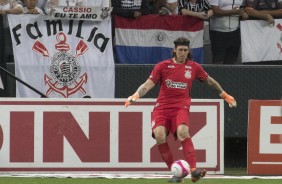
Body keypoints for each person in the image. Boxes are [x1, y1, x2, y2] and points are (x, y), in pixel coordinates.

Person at [125, 37, 237, 183]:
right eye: (180, 50)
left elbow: (210, 81)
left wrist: (224, 94)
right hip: (162, 107)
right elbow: (148, 84)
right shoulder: (162, 66)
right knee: (159, 135)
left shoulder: (194, 67)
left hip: (180, 106)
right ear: (175, 51)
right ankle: (176, 172)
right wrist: (136, 95)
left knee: (183, 132)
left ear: (189, 51)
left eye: (185, 50)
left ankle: (194, 171)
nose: (183, 53)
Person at [208, 0, 248, 64]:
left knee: (231, 61)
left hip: (235, 31)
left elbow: (243, 8)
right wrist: (232, 12)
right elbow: (215, 11)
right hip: (218, 31)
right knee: (218, 61)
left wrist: (243, 14)